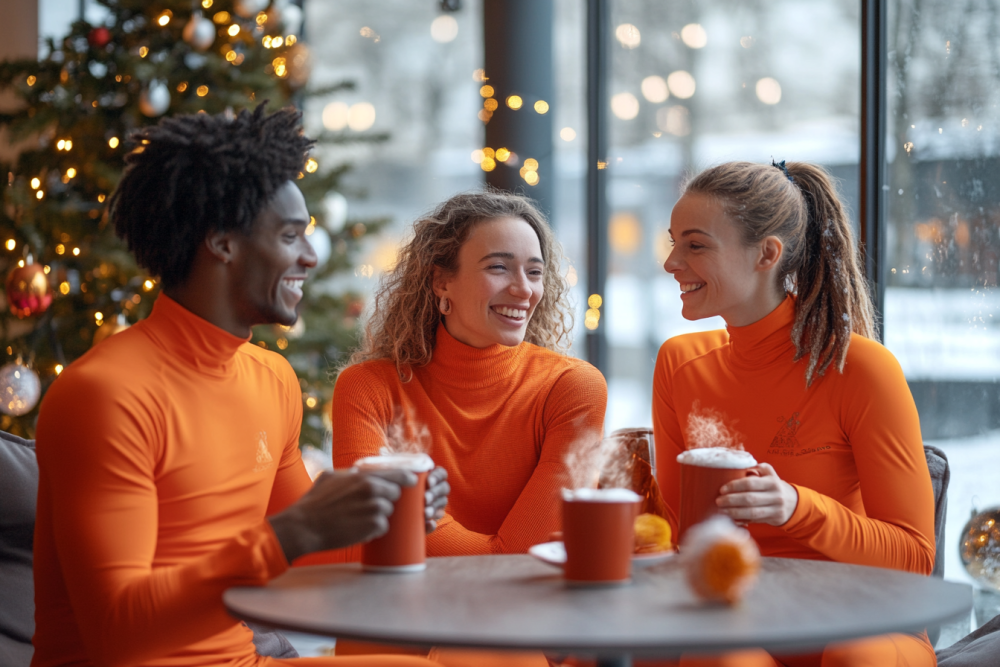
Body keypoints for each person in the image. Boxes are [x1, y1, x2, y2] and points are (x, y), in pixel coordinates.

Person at [31, 105, 449, 667]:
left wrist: (389, 518)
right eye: (290, 235)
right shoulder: (105, 396)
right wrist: (292, 532)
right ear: (222, 242)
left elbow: (304, 557)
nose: (310, 256)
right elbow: (117, 631)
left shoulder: (270, 378)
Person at [652, 161, 936, 667]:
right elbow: (680, 536)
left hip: (860, 620)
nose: (672, 262)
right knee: (715, 659)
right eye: (673, 242)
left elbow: (914, 557)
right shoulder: (681, 364)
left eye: (695, 245)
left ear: (767, 253)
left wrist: (796, 508)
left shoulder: (860, 368)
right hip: (736, 620)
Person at [319, 190, 607, 564]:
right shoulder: (367, 387)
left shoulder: (572, 388)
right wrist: (491, 556)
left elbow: (527, 557)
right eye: (498, 267)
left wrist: (436, 541)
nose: (524, 289)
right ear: (441, 282)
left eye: (534, 272)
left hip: (530, 615)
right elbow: (377, 526)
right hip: (400, 612)